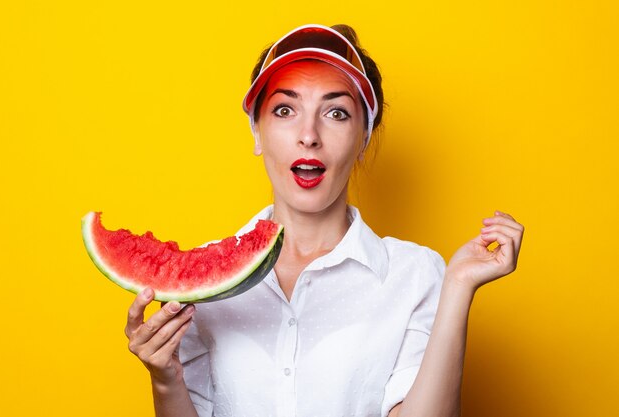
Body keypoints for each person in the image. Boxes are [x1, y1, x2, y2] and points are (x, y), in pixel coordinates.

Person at [124, 24, 524, 417]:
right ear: (257, 132)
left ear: (363, 137)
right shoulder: (206, 286)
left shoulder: (415, 274)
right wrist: (165, 379)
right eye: (285, 110)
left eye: (335, 113)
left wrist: (457, 288)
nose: (309, 135)